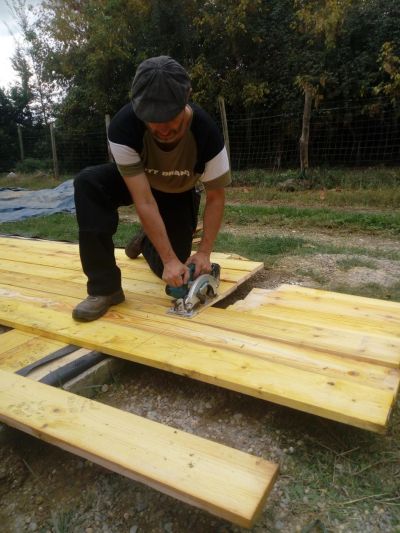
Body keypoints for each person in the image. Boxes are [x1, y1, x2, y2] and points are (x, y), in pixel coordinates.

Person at [72, 56, 231, 321]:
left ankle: (146, 241)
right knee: (89, 182)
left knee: (172, 271)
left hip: (178, 192)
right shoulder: (123, 127)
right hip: (140, 183)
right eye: (152, 119)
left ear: (187, 97)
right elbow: (144, 199)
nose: (162, 129)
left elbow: (216, 196)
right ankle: (104, 289)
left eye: (170, 118)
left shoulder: (206, 134)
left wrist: (204, 252)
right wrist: (169, 260)